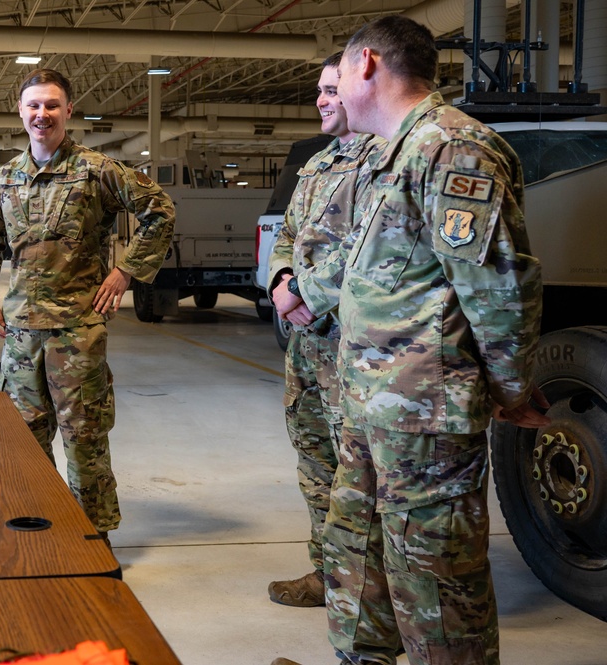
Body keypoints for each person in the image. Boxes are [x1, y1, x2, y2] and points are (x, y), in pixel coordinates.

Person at [271, 15, 548, 665]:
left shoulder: (451, 148)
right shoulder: (391, 154)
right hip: (371, 405)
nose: (332, 89)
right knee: (355, 551)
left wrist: (507, 388)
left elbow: (499, 287)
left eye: (337, 72)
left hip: (425, 416)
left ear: (366, 64)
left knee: (435, 580)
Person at [0, 68, 175, 540]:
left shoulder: (96, 171)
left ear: (68, 112)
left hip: (77, 332)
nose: (42, 114)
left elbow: (159, 209)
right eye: (33, 106)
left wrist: (126, 271)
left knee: (84, 441)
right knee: (24, 442)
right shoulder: (4, 179)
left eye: (52, 105)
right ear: (20, 112)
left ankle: (91, 536)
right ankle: (40, 533)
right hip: (20, 335)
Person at [265, 53, 384, 608]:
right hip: (306, 346)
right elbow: (287, 233)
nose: (321, 100)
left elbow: (375, 252)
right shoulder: (316, 166)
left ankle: (372, 594)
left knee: (361, 476)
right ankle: (327, 573)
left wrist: (306, 293)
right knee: (316, 463)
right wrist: (281, 281)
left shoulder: (385, 161)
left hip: (353, 348)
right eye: (318, 90)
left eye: (332, 90)